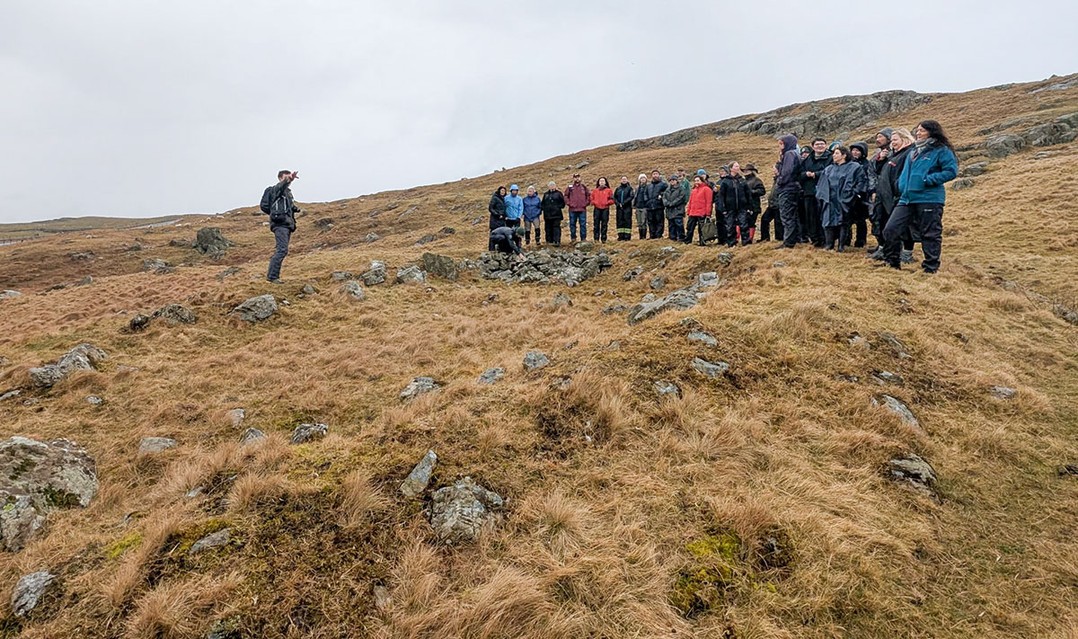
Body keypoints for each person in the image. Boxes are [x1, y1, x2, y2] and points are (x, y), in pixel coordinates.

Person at [882, 120, 958, 273]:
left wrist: (927, 180)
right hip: (907, 198)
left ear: (932, 132)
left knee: (930, 233)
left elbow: (951, 171)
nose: (918, 133)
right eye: (917, 130)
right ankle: (892, 263)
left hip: (929, 198)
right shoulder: (913, 151)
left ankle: (930, 267)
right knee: (890, 229)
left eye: (922, 130)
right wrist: (901, 185)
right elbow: (906, 173)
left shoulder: (941, 150)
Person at [870, 128, 916, 261]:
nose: (892, 143)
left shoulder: (909, 153)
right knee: (882, 221)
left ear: (905, 139)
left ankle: (906, 254)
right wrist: (881, 160)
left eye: (895, 140)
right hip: (884, 194)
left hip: (898, 195)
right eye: (892, 140)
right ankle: (885, 250)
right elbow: (881, 171)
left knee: (904, 226)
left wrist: (898, 190)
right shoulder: (894, 154)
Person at [816, 146, 863, 251]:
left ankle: (841, 245)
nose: (834, 155)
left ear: (844, 155)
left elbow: (860, 182)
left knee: (843, 222)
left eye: (836, 153)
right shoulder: (829, 169)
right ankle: (829, 244)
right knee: (828, 221)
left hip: (845, 199)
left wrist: (853, 194)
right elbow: (821, 184)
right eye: (833, 153)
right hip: (830, 199)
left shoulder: (854, 167)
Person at [264, 170, 300, 283]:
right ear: (280, 178)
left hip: (286, 224)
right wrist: (288, 179)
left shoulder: (287, 192)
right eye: (286, 177)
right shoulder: (274, 190)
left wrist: (295, 209)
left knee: (282, 249)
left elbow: (288, 206)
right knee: (282, 250)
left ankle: (273, 276)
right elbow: (279, 188)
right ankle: (272, 277)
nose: (288, 180)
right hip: (280, 224)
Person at [799, 138, 831, 247]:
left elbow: (831, 171)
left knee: (822, 216)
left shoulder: (830, 157)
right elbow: (799, 173)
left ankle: (825, 239)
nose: (820, 146)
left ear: (826, 145)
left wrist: (816, 174)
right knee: (810, 217)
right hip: (809, 192)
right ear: (813, 146)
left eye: (822, 144)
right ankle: (814, 239)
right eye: (817, 144)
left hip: (824, 192)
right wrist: (806, 174)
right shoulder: (808, 159)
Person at [775, 134, 803, 249]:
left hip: (787, 188)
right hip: (793, 188)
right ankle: (796, 238)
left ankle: (788, 242)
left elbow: (787, 172)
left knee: (787, 215)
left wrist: (779, 181)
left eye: (781, 144)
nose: (780, 147)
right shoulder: (795, 153)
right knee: (792, 215)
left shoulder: (789, 154)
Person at [718, 162, 754, 246]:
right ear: (731, 168)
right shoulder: (725, 181)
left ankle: (746, 242)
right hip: (729, 207)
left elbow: (748, 194)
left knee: (744, 224)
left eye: (738, 166)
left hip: (742, 207)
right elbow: (721, 196)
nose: (738, 167)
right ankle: (732, 242)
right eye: (736, 166)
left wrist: (750, 206)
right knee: (730, 226)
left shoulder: (742, 180)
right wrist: (722, 208)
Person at [684, 174, 713, 245]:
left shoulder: (707, 189)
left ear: (702, 181)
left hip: (702, 212)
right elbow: (690, 202)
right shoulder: (694, 190)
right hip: (693, 212)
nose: (696, 182)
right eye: (695, 181)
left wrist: (708, 213)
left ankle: (702, 242)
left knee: (702, 229)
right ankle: (688, 241)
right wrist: (688, 211)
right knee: (689, 228)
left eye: (698, 180)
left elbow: (709, 202)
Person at [759, 163, 784, 242]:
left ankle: (779, 239)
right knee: (764, 219)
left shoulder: (781, 179)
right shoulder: (776, 179)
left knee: (778, 223)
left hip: (778, 205)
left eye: (774, 169)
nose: (773, 170)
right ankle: (765, 238)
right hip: (772, 205)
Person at [743, 163, 766, 243]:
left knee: (751, 222)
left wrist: (752, 192)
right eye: (744, 170)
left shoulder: (756, 180)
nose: (745, 172)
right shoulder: (744, 181)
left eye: (747, 170)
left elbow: (762, 191)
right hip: (745, 206)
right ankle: (745, 238)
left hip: (754, 206)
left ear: (752, 171)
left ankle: (750, 238)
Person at [642, 170, 668, 239]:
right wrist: (647, 201)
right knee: (650, 222)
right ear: (652, 176)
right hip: (650, 207)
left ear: (659, 175)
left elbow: (667, 192)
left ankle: (659, 235)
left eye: (656, 174)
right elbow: (645, 194)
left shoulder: (663, 184)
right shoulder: (649, 186)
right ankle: (652, 235)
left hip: (659, 206)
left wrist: (661, 196)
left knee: (659, 221)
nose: (655, 175)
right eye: (654, 174)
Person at [564, 173, 590, 243]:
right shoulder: (570, 187)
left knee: (583, 224)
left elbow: (588, 196)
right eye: (575, 177)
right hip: (572, 209)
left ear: (580, 178)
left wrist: (586, 203)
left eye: (578, 177)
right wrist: (570, 204)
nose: (577, 178)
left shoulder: (584, 187)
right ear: (573, 178)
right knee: (572, 224)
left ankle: (583, 239)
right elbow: (566, 196)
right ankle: (573, 239)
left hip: (582, 209)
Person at [662, 174, 687, 242]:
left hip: (678, 210)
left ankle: (681, 237)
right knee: (671, 225)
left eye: (673, 180)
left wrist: (672, 203)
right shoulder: (667, 190)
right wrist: (667, 203)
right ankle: (672, 238)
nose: (672, 181)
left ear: (676, 181)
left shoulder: (681, 188)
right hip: (670, 211)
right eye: (671, 180)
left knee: (679, 224)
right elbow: (664, 198)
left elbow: (681, 198)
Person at [540, 181, 566, 247]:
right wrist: (544, 209)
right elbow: (542, 204)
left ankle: (556, 241)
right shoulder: (546, 194)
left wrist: (557, 207)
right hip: (547, 215)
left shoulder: (559, 193)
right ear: (548, 187)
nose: (551, 186)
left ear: (555, 186)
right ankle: (549, 241)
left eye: (553, 185)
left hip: (557, 215)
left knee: (556, 228)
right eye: (550, 185)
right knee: (548, 228)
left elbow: (563, 203)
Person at [590, 177, 614, 243]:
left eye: (603, 181)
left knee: (604, 224)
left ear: (605, 182)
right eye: (600, 181)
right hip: (597, 208)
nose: (602, 182)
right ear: (598, 182)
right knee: (596, 224)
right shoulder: (595, 191)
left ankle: (603, 239)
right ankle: (596, 239)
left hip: (605, 209)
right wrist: (594, 202)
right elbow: (591, 198)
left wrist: (607, 203)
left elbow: (612, 199)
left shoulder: (609, 190)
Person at [614, 176, 635, 241]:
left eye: (625, 179)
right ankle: (620, 236)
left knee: (627, 221)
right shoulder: (618, 189)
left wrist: (623, 203)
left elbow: (631, 196)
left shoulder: (630, 188)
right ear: (620, 180)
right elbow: (614, 197)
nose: (624, 180)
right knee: (620, 221)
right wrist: (618, 203)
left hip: (627, 207)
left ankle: (627, 236)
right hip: (619, 208)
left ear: (627, 180)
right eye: (622, 179)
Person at [487, 186, 507, 251]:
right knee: (493, 234)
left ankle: (500, 249)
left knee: (501, 235)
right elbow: (490, 208)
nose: (503, 192)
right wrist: (497, 214)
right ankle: (491, 250)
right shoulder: (495, 198)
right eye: (501, 191)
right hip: (495, 220)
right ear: (499, 191)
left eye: (504, 191)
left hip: (502, 220)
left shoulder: (504, 199)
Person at [632, 174, 649, 239]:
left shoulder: (648, 187)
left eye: (644, 178)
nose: (642, 179)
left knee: (643, 222)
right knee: (639, 222)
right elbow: (635, 197)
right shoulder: (637, 188)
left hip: (644, 206)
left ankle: (644, 236)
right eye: (641, 178)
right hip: (638, 207)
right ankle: (640, 236)